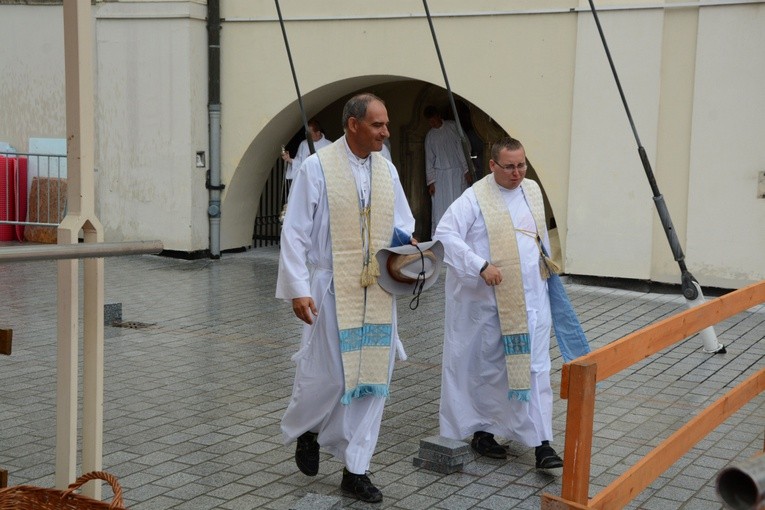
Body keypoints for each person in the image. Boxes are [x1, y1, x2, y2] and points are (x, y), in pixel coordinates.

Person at [275, 93, 416, 503]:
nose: (386, 132)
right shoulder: (317, 168)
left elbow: (402, 223)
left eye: (386, 124)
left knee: (374, 381)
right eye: (378, 124)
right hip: (329, 287)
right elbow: (295, 232)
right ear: (353, 124)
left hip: (377, 290)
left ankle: (356, 469)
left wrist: (411, 248)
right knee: (331, 377)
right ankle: (310, 429)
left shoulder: (386, 171)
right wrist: (298, 289)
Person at [433, 136, 565, 470]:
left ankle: (542, 443)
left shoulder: (532, 189)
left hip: (531, 300)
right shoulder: (475, 197)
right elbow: (445, 233)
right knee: (488, 371)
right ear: (492, 165)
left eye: (521, 165)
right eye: (509, 166)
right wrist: (479, 264)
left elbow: (540, 240)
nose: (517, 173)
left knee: (535, 369)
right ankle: (483, 431)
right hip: (488, 305)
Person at [423, 105, 471, 236]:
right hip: (440, 177)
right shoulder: (430, 136)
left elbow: (464, 146)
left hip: (458, 172)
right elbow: (429, 159)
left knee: (458, 204)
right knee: (441, 208)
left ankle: (460, 235)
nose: (432, 123)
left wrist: (467, 170)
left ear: (438, 116)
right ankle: (440, 237)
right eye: (429, 122)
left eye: (433, 120)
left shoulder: (453, 127)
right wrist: (431, 182)